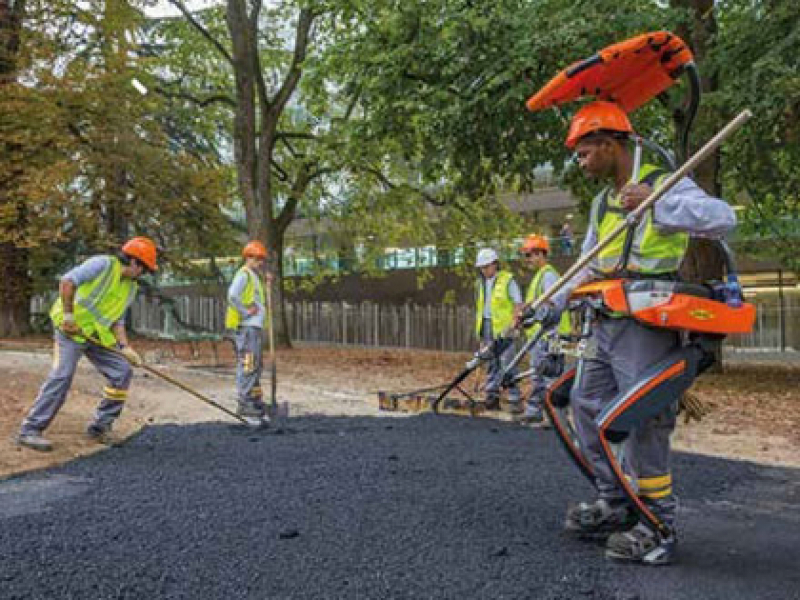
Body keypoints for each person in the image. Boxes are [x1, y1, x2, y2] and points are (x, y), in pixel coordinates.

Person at [542, 101, 736, 564]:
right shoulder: (602, 202)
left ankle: (658, 523)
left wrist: (659, 204)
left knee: (646, 419)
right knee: (587, 406)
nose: (582, 164)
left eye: (586, 153)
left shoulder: (666, 185)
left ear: (610, 145)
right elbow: (589, 262)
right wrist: (546, 306)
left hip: (648, 323)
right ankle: (616, 504)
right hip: (604, 321)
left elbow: (723, 218)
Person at [17, 237, 157, 451]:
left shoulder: (130, 287)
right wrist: (69, 317)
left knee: (121, 372)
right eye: (144, 269)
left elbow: (118, 320)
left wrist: (124, 347)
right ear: (135, 263)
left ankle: (100, 427)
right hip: (69, 331)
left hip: (95, 335)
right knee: (62, 375)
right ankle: (30, 430)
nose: (143, 274)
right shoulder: (102, 264)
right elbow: (67, 282)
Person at [516, 234, 571, 425]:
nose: (527, 260)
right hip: (541, 336)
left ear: (540, 254)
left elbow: (550, 306)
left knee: (550, 376)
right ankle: (535, 412)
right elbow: (539, 305)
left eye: (529, 255)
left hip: (551, 335)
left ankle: (554, 417)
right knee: (538, 374)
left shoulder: (548, 275)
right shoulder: (540, 276)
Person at [225, 240, 271, 425]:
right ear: (248, 257)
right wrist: (244, 311)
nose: (260, 263)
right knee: (248, 364)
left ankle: (255, 401)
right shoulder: (244, 274)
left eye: (262, 259)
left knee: (255, 365)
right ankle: (244, 404)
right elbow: (232, 295)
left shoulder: (253, 276)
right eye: (257, 259)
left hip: (254, 329)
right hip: (246, 329)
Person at [474, 248, 523, 412]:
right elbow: (482, 308)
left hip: (505, 327)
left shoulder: (507, 280)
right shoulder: (481, 283)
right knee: (491, 362)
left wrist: (515, 323)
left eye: (486, 266)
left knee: (509, 363)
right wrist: (482, 333)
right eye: (481, 267)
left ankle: (515, 398)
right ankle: (492, 396)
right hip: (488, 326)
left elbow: (517, 303)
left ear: (495, 264)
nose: (484, 270)